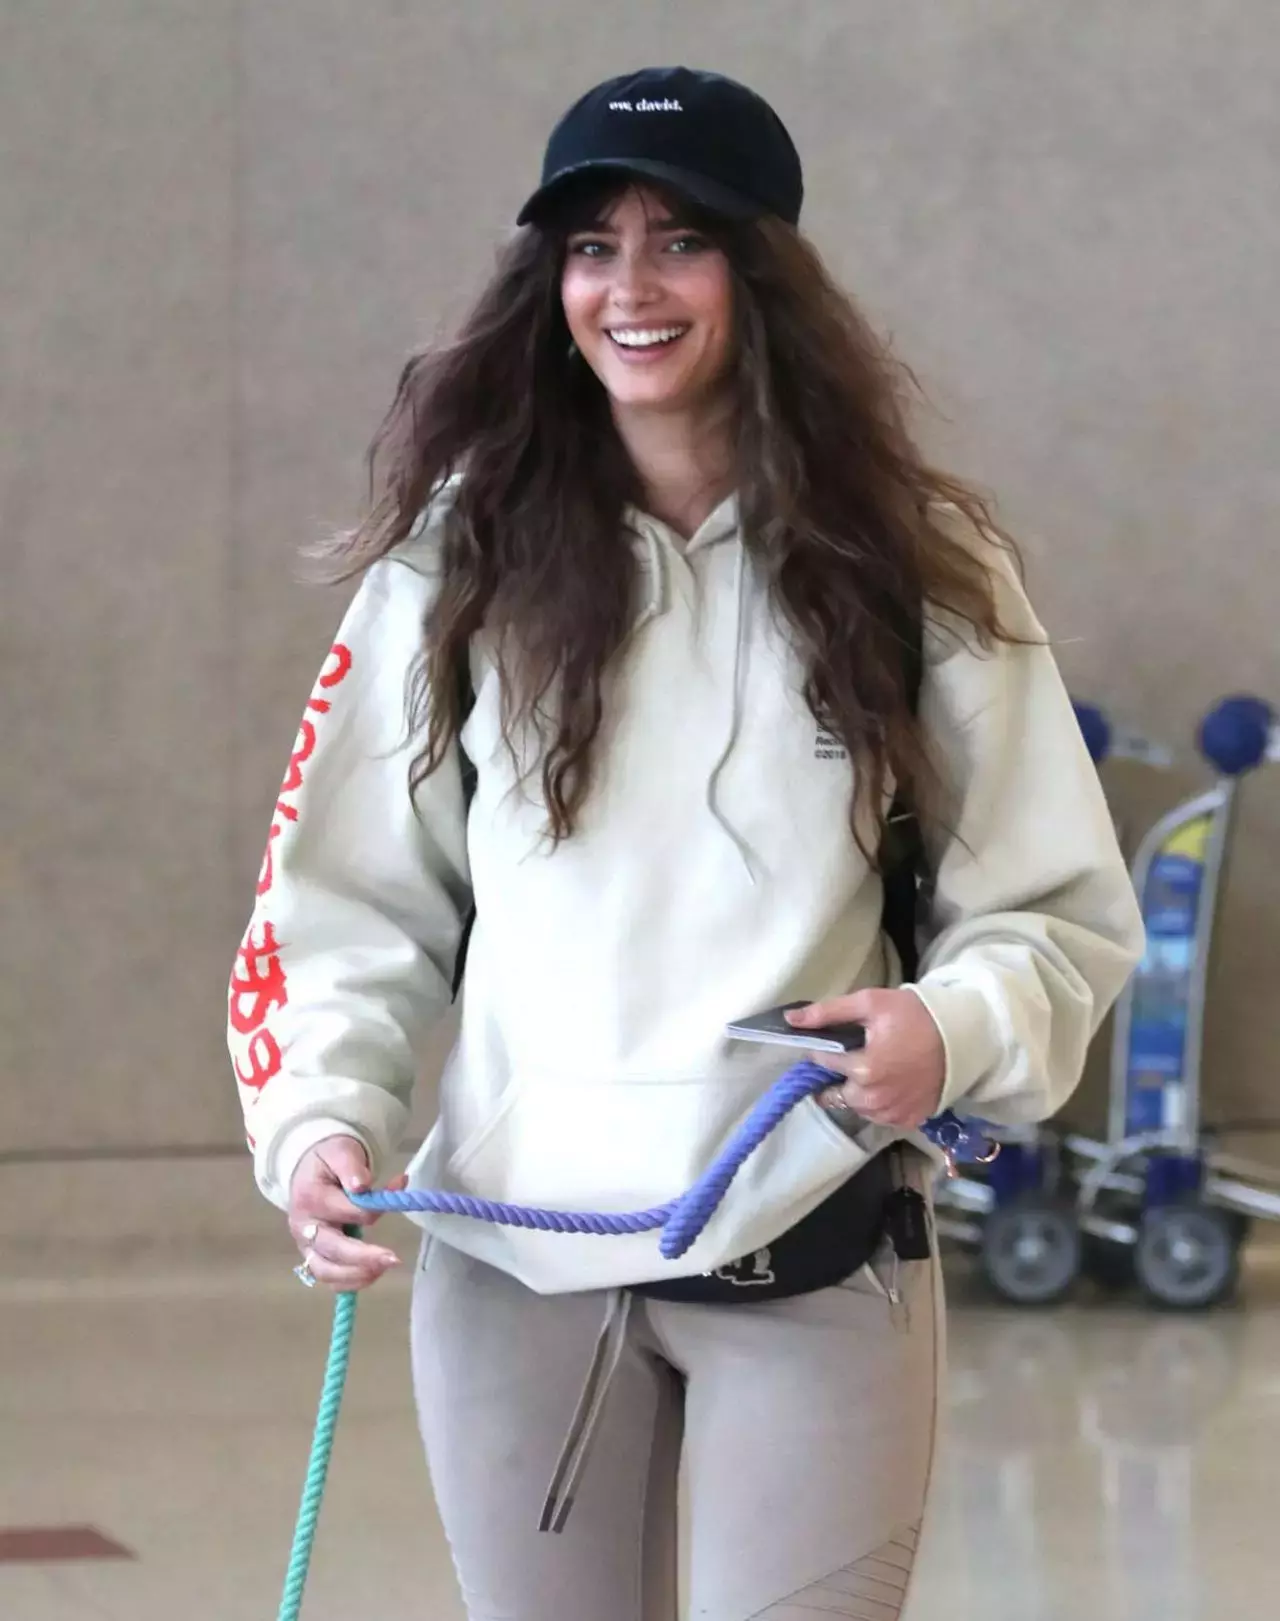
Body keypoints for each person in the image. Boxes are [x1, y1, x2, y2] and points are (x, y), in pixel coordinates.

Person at [228, 65, 1143, 1621]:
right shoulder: (456, 566)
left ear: (761, 273)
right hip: (512, 1266)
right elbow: (344, 908)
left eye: (679, 242)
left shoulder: (922, 565)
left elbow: (1052, 913)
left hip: (814, 1247)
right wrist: (318, 1122)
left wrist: (951, 1026)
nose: (629, 287)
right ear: (550, 284)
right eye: (592, 245)